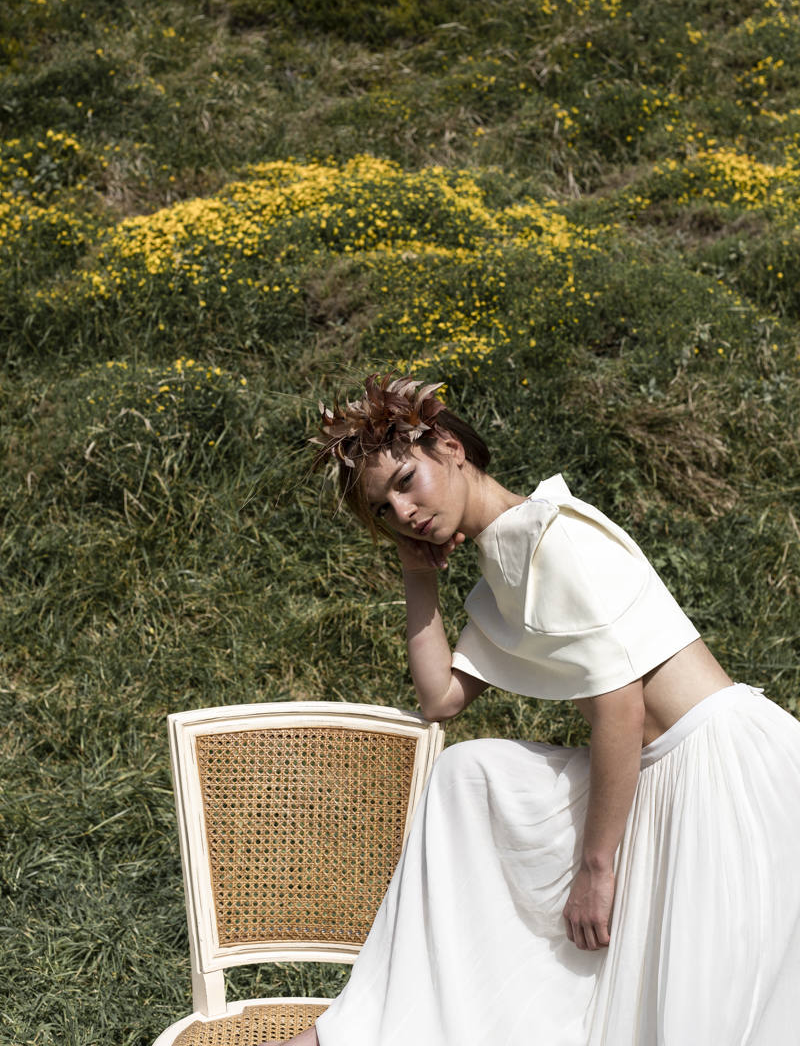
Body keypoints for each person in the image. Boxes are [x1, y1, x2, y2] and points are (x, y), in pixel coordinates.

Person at [266, 373, 800, 1046]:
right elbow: (441, 698)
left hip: (725, 772)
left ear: (451, 448)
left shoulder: (552, 541)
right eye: (382, 511)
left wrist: (595, 869)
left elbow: (619, 710)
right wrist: (417, 573)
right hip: (664, 767)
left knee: (719, 1011)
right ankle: (366, 1028)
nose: (402, 513)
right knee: (468, 778)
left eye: (406, 482)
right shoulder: (508, 563)